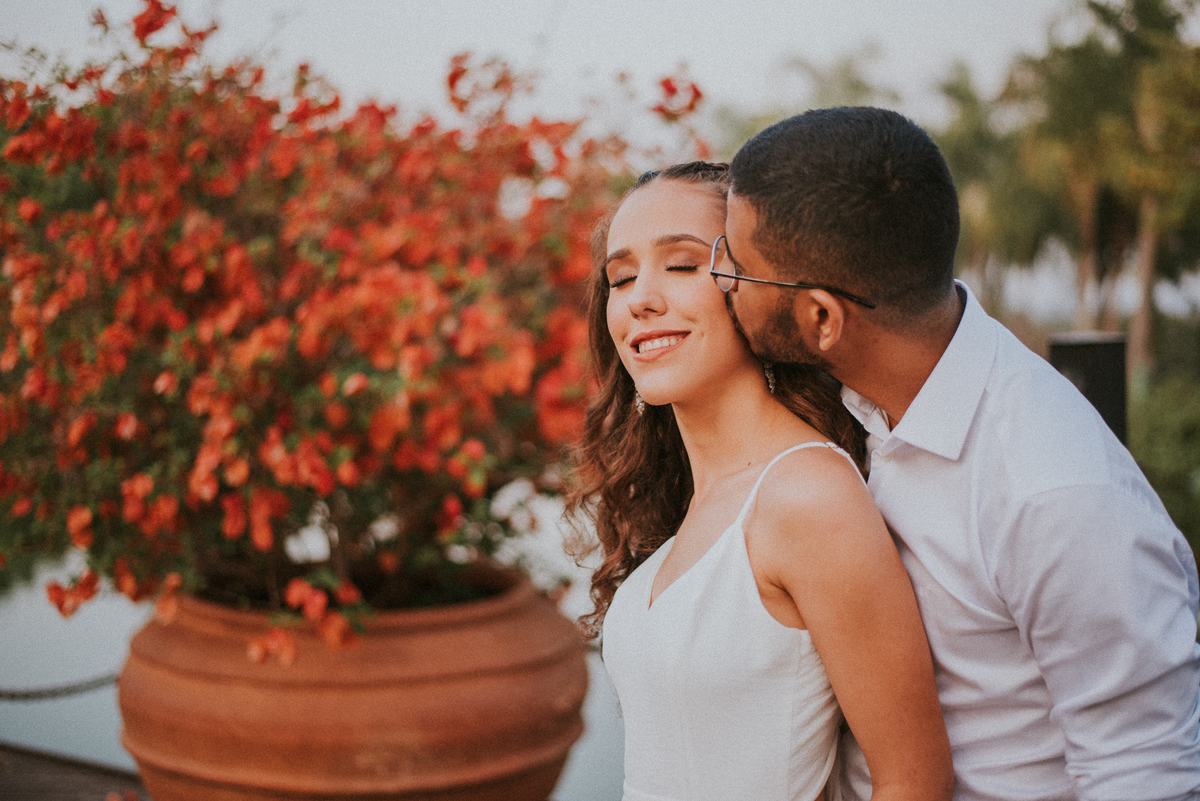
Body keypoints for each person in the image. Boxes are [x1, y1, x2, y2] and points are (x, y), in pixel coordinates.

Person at [721, 106, 1200, 801]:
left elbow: (1143, 769)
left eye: (738, 267)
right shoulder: (851, 402)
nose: (722, 282)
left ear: (822, 316)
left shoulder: (1054, 493)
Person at [568, 161, 953, 801]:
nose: (640, 299)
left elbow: (915, 780)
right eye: (622, 277)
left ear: (755, 287)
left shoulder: (806, 495)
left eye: (682, 265)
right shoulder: (695, 500)